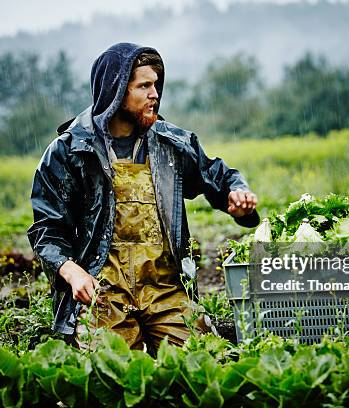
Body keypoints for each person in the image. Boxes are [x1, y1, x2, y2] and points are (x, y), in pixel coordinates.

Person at [27, 42, 259, 354]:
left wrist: (237, 196)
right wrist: (71, 270)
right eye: (144, 86)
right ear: (116, 91)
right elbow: (46, 229)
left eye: (156, 85)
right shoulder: (70, 151)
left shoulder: (171, 143)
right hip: (103, 291)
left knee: (201, 365)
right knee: (113, 375)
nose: (155, 94)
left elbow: (218, 175)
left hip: (165, 289)